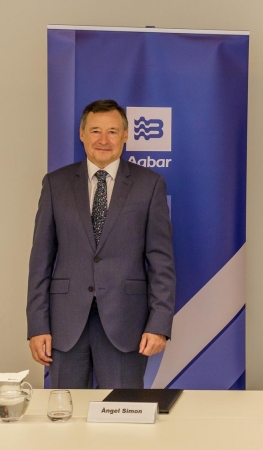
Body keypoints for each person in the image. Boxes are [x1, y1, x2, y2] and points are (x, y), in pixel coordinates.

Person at [27, 99, 176, 389]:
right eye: (96, 131)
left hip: (126, 324)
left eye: (112, 131)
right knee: (65, 417)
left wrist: (159, 325)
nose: (104, 140)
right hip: (65, 326)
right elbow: (40, 262)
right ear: (82, 134)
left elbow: (162, 263)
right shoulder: (56, 184)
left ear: (126, 135)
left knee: (122, 418)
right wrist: (37, 325)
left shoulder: (150, 184)